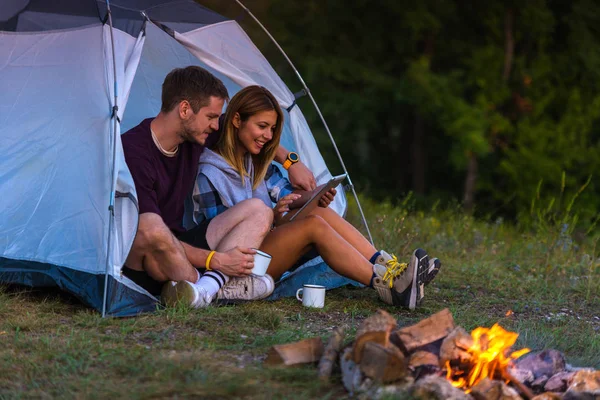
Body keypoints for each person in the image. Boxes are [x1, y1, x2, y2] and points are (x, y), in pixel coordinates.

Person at [191, 85, 442, 310]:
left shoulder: (256, 162)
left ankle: (389, 269)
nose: (268, 136)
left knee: (317, 212)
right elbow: (220, 238)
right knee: (313, 226)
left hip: (263, 248)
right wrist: (274, 219)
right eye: (262, 126)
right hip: (235, 267)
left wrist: (313, 196)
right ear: (236, 120)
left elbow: (286, 196)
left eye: (272, 129)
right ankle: (391, 289)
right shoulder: (209, 174)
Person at [121, 67, 318, 309]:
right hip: (148, 255)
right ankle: (204, 287)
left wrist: (290, 162)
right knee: (152, 227)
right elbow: (147, 234)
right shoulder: (135, 151)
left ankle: (202, 291)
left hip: (183, 246)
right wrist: (217, 260)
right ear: (184, 110)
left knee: (259, 209)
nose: (216, 126)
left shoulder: (194, 136)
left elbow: (249, 129)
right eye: (212, 117)